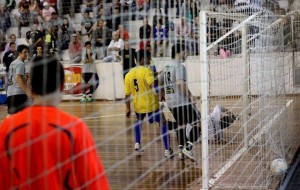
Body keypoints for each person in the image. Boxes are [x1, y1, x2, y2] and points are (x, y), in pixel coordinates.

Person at [0, 56, 110, 189]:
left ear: (31, 86)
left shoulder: (7, 128)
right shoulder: (75, 129)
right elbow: (95, 185)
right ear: (62, 85)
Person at [124, 49, 173, 157]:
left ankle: (137, 143)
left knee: (139, 121)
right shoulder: (146, 71)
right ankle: (167, 150)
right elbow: (152, 84)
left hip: (138, 105)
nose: (149, 60)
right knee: (163, 123)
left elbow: (127, 94)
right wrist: (160, 94)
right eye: (148, 58)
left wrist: (128, 108)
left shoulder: (128, 74)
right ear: (143, 59)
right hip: (151, 104)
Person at [160, 43, 198, 160]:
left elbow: (160, 82)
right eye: (185, 52)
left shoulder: (166, 66)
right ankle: (189, 147)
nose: (186, 55)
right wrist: (191, 96)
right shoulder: (179, 66)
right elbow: (180, 83)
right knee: (199, 122)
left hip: (171, 102)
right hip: (182, 102)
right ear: (178, 53)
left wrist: (162, 96)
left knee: (180, 127)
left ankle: (181, 152)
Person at [6, 44, 32, 115]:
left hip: (10, 93)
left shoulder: (13, 63)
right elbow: (17, 78)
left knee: (11, 116)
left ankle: (5, 126)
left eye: (27, 52)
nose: (26, 54)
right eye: (24, 52)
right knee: (24, 116)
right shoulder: (20, 64)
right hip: (19, 93)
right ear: (19, 53)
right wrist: (27, 91)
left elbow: (14, 77)